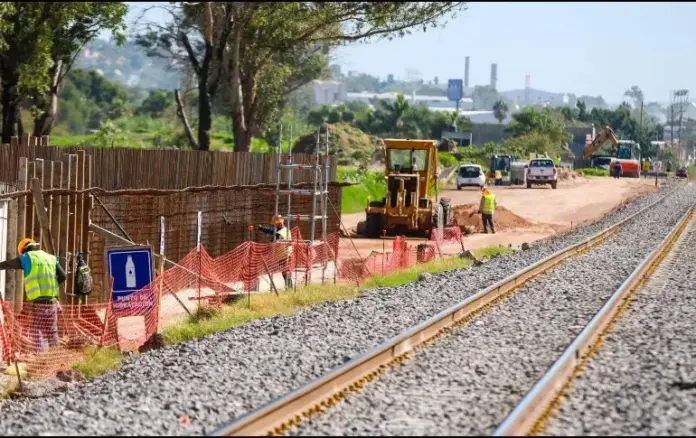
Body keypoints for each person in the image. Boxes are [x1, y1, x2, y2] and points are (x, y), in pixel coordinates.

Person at [0, 238, 66, 354]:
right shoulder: (50, 258)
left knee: (37, 331)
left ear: (24, 250)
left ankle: (40, 358)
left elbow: (8, 264)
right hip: (52, 302)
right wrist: (53, 285)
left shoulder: (27, 258)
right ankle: (55, 358)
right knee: (52, 332)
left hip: (39, 303)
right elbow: (63, 276)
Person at [258, 216, 293, 289]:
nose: (275, 225)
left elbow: (273, 233)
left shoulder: (281, 232)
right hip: (283, 254)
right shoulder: (285, 230)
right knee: (284, 272)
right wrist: (263, 229)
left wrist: (271, 240)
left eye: (276, 224)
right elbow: (272, 231)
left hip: (285, 254)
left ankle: (289, 287)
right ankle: (289, 287)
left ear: (280, 223)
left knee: (285, 272)